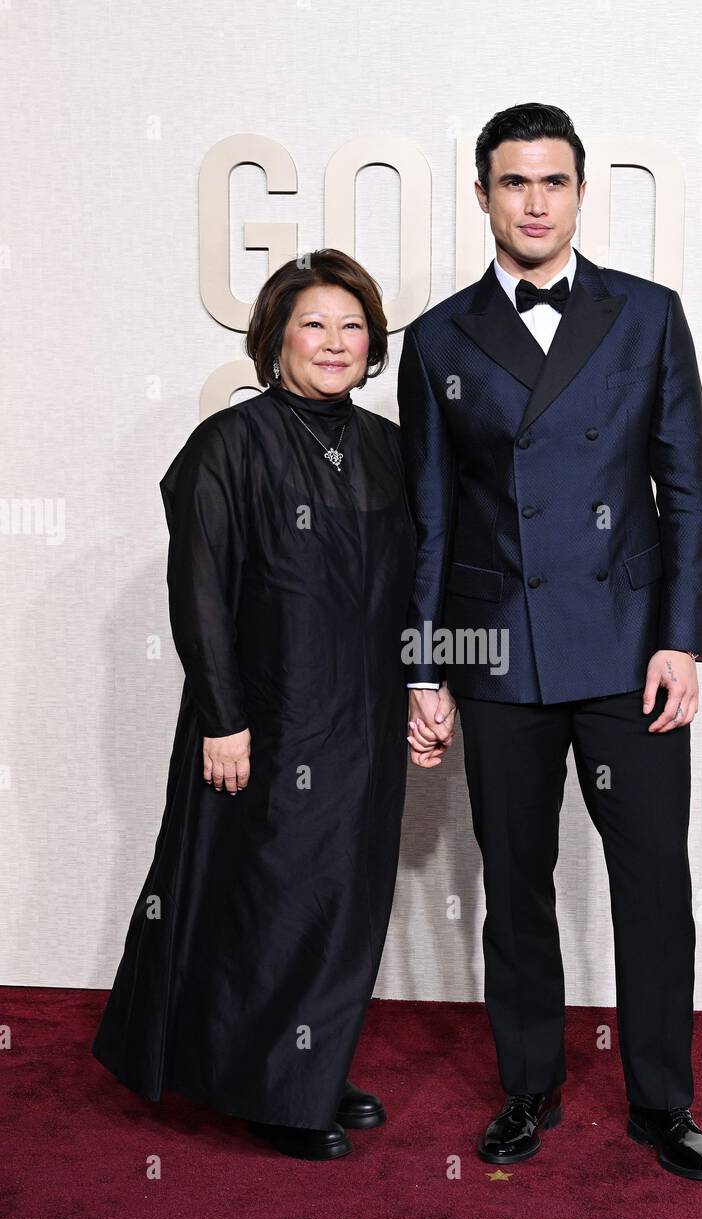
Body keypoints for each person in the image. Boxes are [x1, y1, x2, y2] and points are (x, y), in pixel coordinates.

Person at [399, 103, 702, 1179]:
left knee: (651, 883)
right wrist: (427, 665)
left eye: (554, 182)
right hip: (497, 651)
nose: (534, 202)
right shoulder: (439, 336)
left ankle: (662, 1103)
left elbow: (683, 489)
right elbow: (431, 518)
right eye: (512, 183)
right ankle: (528, 1089)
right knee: (517, 879)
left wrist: (680, 639)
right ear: (484, 195)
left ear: (580, 192)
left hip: (629, 647)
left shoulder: (647, 315)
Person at [92, 249, 416, 1160]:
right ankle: (273, 1094)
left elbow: (420, 584)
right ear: (274, 337)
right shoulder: (228, 446)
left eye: (352, 326)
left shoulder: (390, 448)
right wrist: (222, 720)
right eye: (314, 323)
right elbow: (197, 592)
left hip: (365, 720)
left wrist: (426, 689)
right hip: (265, 721)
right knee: (272, 901)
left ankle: (309, 1068)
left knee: (347, 901)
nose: (335, 342)